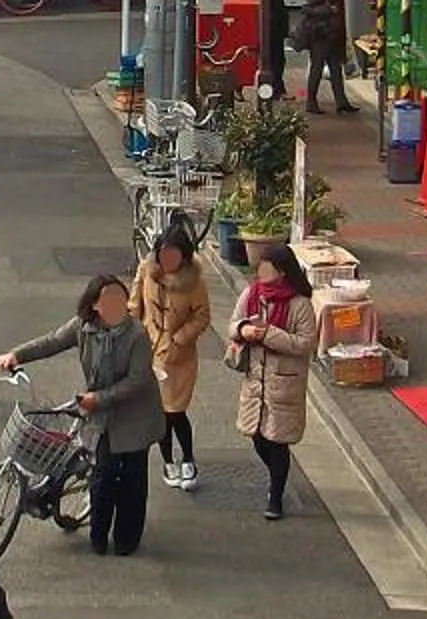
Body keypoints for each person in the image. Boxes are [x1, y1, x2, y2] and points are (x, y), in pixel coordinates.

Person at [0, 276, 164, 557]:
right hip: (101, 415)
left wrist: (98, 399)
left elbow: (138, 381)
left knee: (133, 478)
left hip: (135, 416)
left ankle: (127, 539)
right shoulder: (83, 327)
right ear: (95, 305)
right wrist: (17, 355)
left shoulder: (136, 335)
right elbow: (52, 341)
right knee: (103, 475)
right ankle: (98, 535)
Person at [228, 246, 320, 521]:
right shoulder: (252, 294)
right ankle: (276, 478)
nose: (261, 271)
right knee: (257, 437)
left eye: (267, 267)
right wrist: (244, 330)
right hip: (255, 380)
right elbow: (233, 324)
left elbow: (305, 344)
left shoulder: (299, 304)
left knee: (278, 441)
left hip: (284, 385)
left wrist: (269, 334)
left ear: (282, 271)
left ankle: (276, 495)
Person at [133, 219, 215, 491]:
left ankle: (188, 459)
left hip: (179, 357)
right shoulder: (147, 270)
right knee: (158, 412)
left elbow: (202, 317)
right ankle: (168, 461)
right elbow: (135, 305)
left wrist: (180, 339)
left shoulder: (195, 283)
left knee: (175, 412)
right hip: (148, 351)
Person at [297, 0, 357, 114]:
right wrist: (327, 10)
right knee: (317, 69)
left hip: (333, 37)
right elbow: (306, 9)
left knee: (336, 71)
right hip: (320, 37)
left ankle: (341, 102)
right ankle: (311, 102)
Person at [257, 0, 293, 96]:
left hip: (275, 21)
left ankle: (276, 89)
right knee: (273, 58)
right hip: (270, 22)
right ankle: (274, 90)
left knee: (276, 57)